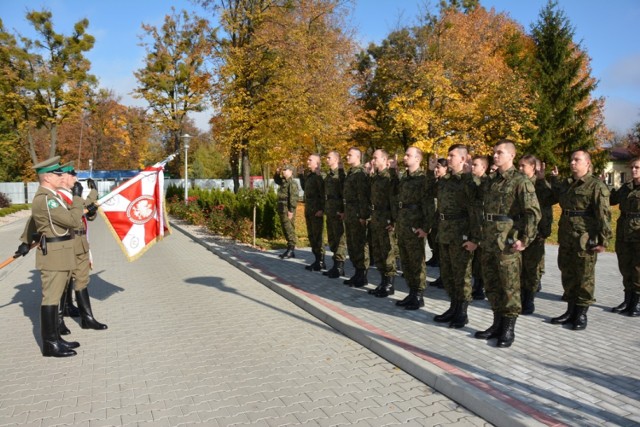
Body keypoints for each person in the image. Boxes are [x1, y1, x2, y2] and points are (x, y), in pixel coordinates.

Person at [13, 157, 94, 357]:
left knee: (56, 298)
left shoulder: (52, 196)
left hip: (61, 253)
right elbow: (73, 221)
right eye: (58, 174)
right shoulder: (46, 199)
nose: (61, 177)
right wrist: (77, 198)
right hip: (55, 256)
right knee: (51, 299)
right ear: (48, 177)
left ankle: (56, 338)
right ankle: (50, 343)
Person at [474, 140, 540, 348]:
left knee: (509, 286)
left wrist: (525, 239)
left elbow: (533, 212)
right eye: (494, 152)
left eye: (500, 153)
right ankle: (497, 323)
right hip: (489, 240)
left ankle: (509, 328)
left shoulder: (521, 181)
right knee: (492, 284)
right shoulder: (491, 181)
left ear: (511, 156)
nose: (495, 156)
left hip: (507, 242)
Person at [545, 150, 611, 330]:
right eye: (571, 160)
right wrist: (548, 177)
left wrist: (603, 240)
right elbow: (555, 191)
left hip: (585, 238)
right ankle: (570, 310)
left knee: (584, 275)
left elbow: (604, 215)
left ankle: (581, 314)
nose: (573, 163)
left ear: (587, 163)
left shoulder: (596, 186)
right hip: (567, 236)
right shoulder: (568, 184)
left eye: (577, 160)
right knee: (567, 272)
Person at [428, 145, 480, 329]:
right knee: (448, 273)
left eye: (452, 156)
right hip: (444, 231)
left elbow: (475, 208)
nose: (448, 158)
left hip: (461, 232)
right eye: (448, 155)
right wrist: (430, 170)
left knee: (462, 274)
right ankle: (453, 306)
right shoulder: (445, 180)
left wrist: (474, 237)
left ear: (464, 159)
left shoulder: (469, 180)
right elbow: (429, 191)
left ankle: (462, 312)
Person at [57, 165, 108, 330]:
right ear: (63, 177)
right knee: (63, 281)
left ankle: (87, 318)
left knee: (81, 280)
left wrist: (93, 194)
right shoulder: (57, 196)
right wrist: (86, 202)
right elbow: (72, 216)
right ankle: (59, 320)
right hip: (67, 241)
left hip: (80, 242)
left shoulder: (71, 195)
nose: (76, 179)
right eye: (72, 176)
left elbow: (85, 210)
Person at [395, 146, 432, 310]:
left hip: (415, 225)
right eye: (405, 155)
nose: (404, 158)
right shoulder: (405, 178)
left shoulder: (423, 179)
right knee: (405, 260)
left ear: (417, 158)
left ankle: (419, 294)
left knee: (417, 261)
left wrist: (426, 228)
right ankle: (411, 292)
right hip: (403, 224)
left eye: (408, 155)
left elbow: (429, 206)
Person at [517, 155, 553, 315]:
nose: (520, 169)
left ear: (533, 168)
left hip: (535, 233)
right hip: (518, 231)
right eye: (519, 166)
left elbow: (546, 209)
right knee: (519, 267)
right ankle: (520, 296)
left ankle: (529, 299)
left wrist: (543, 232)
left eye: (523, 166)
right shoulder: (518, 183)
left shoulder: (540, 186)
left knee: (531, 268)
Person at [609, 156, 640, 316]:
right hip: (623, 231)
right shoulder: (626, 187)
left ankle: (637, 303)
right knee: (625, 266)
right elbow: (612, 200)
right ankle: (627, 300)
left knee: (638, 269)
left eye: (637, 167)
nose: (633, 170)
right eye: (632, 167)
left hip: (638, 232)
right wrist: (602, 184)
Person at [367, 149, 399, 297]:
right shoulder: (376, 177)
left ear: (385, 160)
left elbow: (394, 199)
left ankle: (390, 284)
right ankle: (382, 281)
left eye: (375, 158)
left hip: (386, 217)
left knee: (388, 251)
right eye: (372, 158)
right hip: (376, 217)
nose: (373, 160)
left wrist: (394, 220)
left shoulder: (389, 178)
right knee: (378, 251)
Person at [340, 147, 370, 287]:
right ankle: (357, 272)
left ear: (358, 157)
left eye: (350, 155)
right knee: (352, 244)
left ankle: (362, 274)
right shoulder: (351, 173)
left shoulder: (360, 174)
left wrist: (363, 216)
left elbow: (363, 197)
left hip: (357, 213)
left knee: (359, 244)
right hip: (350, 212)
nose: (347, 157)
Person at [322, 151, 347, 278]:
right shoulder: (329, 176)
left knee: (339, 239)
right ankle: (335, 264)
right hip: (330, 210)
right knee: (332, 238)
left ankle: (340, 266)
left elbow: (344, 194)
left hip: (337, 211)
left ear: (336, 159)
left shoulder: (341, 175)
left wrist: (343, 211)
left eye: (329, 158)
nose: (327, 159)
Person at [301, 154, 326, 271]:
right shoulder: (310, 175)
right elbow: (305, 189)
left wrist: (322, 209)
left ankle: (321, 261)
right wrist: (301, 176)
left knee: (317, 236)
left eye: (310, 160)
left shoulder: (319, 175)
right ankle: (317, 259)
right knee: (311, 236)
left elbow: (323, 193)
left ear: (317, 162)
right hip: (309, 209)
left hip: (316, 210)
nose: (308, 161)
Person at [470, 155, 489, 300]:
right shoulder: (472, 181)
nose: (472, 167)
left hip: (483, 226)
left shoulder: (486, 182)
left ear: (483, 167)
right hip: (473, 224)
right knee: (475, 259)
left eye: (475, 165)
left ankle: (481, 286)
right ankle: (476, 283)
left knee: (482, 258)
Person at [426, 158, 448, 289]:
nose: (436, 169)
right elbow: (428, 190)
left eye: (439, 167)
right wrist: (430, 172)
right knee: (439, 250)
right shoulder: (438, 182)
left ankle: (445, 278)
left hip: (447, 223)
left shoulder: (448, 182)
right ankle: (443, 276)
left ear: (446, 168)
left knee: (445, 252)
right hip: (437, 220)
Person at [274, 164, 300, 259]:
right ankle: (289, 248)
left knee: (289, 228)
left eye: (285, 170)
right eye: (283, 170)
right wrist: (277, 172)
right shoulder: (284, 182)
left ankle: (291, 248)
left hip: (287, 209)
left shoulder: (292, 183)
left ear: (291, 171)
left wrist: (291, 210)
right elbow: (277, 180)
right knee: (285, 228)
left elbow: (293, 198)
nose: (283, 171)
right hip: (282, 208)